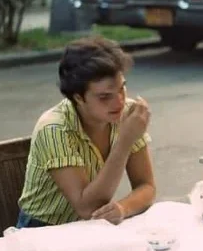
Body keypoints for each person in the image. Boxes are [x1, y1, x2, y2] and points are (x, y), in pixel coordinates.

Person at [17, 36, 155, 228]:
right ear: (79, 98)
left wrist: (123, 208)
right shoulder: (55, 128)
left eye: (122, 89)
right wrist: (125, 141)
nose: (120, 102)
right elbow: (86, 208)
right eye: (104, 97)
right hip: (43, 228)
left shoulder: (126, 114)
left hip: (93, 226)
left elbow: (146, 186)